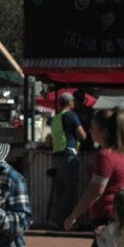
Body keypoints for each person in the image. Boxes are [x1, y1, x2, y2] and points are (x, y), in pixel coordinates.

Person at [64, 109, 124, 247]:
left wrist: (73, 215)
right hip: (122, 213)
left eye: (93, 127)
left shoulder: (105, 156)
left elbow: (95, 191)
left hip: (107, 216)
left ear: (104, 132)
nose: (89, 131)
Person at [50, 92, 87, 228]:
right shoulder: (71, 115)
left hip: (57, 154)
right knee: (70, 190)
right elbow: (82, 135)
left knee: (61, 189)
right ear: (70, 102)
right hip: (68, 153)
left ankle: (57, 219)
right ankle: (65, 221)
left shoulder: (55, 118)